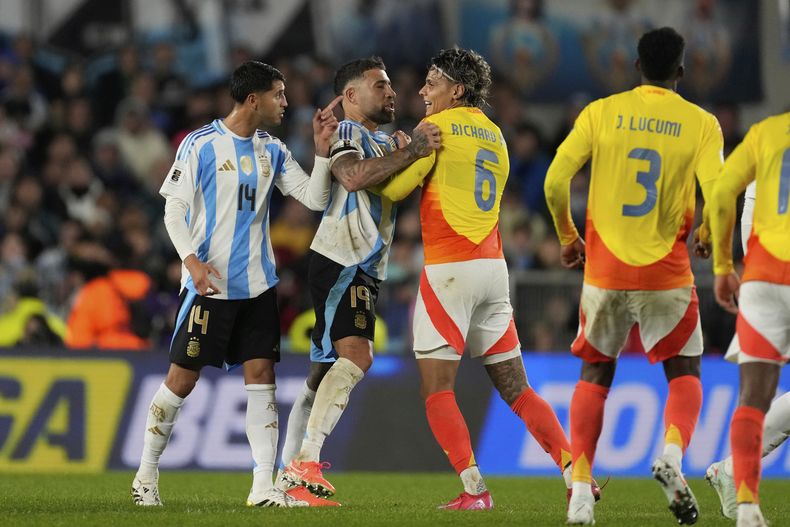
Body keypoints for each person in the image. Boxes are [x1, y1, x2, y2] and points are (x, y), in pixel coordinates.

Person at [368, 47, 589, 510]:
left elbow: (394, 189)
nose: (422, 90)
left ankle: (475, 491)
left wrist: (399, 153)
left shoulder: (436, 128)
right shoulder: (497, 135)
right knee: (517, 389)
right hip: (492, 270)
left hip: (449, 272)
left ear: (457, 90)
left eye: (432, 82)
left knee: (437, 389)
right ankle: (575, 473)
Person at [130, 61, 341, 508]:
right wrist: (191, 261)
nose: (285, 102)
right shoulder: (200, 144)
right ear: (252, 99)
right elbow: (173, 210)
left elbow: (315, 198)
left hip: (258, 285)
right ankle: (146, 474)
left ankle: (263, 486)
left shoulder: (273, 150)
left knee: (262, 378)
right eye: (278, 94)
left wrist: (323, 153)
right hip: (209, 286)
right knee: (181, 381)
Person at [543, 27, 724, 525]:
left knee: (595, 374)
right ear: (680, 71)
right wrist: (708, 232)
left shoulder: (600, 112)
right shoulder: (701, 123)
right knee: (684, 373)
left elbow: (555, 180)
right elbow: (719, 192)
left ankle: (581, 493)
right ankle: (671, 455)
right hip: (667, 273)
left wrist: (567, 236)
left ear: (636, 66)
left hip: (604, 271)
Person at [277, 57, 441, 506]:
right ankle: (305, 463)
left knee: (321, 374)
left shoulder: (383, 141)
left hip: (360, 264)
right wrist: (410, 151)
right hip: (343, 259)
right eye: (380, 85)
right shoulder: (349, 132)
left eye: (390, 85)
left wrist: (405, 153)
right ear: (351, 95)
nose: (391, 92)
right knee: (357, 356)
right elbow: (351, 177)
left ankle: (287, 481)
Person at [707, 111, 790, 527]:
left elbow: (726, 191)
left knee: (754, 395)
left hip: (761, 277)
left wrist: (727, 267)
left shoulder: (765, 135)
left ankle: (745, 503)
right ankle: (732, 476)